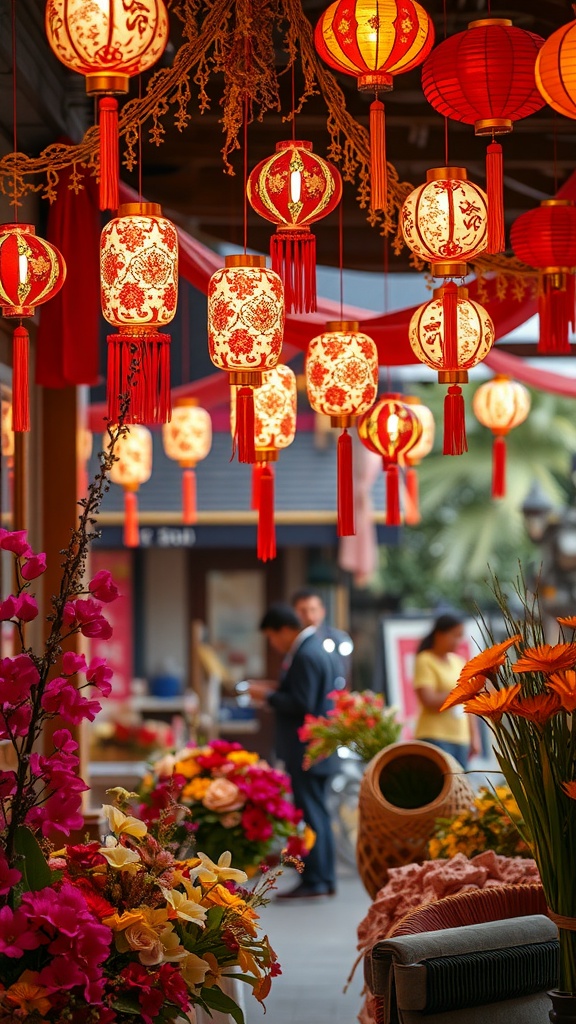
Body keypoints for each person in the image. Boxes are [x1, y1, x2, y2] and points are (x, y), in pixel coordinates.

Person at [247, 603, 338, 899]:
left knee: (312, 814)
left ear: (284, 630)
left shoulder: (307, 652)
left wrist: (268, 695)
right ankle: (323, 879)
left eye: (272, 638)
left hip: (307, 748)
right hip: (316, 747)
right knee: (317, 814)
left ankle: (316, 880)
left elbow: (302, 703)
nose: (273, 645)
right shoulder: (313, 649)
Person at [412, 614, 481, 767]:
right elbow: (429, 700)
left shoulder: (459, 662)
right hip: (434, 735)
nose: (458, 641)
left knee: (460, 787)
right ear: (439, 634)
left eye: (460, 636)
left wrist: (474, 737)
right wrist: (463, 692)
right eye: (454, 635)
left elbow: (469, 703)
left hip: (461, 738)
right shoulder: (425, 660)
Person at [291, 587, 353, 690]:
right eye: (302, 611)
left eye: (313, 610)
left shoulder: (337, 638)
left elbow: (345, 672)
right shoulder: (293, 640)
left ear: (322, 611)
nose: (309, 616)